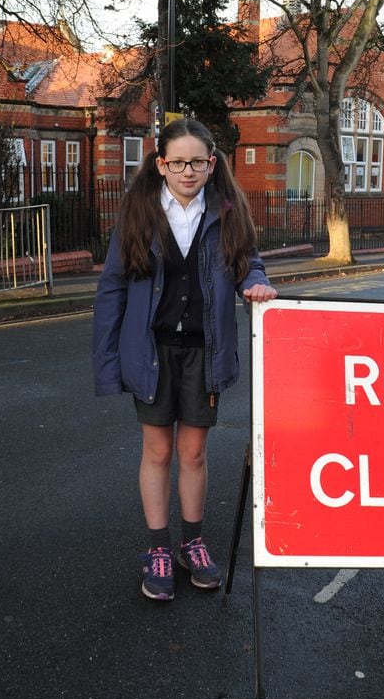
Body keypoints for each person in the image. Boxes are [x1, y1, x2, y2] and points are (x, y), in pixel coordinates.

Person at [93, 118, 277, 601]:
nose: (189, 171)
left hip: (204, 351)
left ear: (212, 164)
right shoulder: (139, 213)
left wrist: (254, 281)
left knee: (193, 453)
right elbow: (112, 287)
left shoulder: (227, 211)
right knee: (157, 451)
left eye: (198, 162)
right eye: (178, 162)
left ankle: (193, 543)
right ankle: (159, 548)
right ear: (161, 165)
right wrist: (109, 363)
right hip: (152, 352)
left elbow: (248, 261)